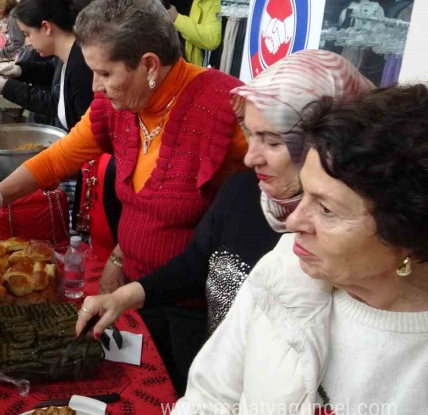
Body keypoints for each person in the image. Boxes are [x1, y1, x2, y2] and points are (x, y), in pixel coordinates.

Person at [0, 0, 249, 393]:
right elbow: (59, 157)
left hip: (194, 311)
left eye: (104, 73)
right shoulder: (118, 107)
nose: (94, 85)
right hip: (132, 292)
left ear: (148, 65)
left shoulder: (228, 107)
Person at [164, 84, 428, 415]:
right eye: (306, 194)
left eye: (327, 209)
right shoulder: (286, 269)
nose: (293, 223)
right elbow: (211, 399)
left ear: (406, 237)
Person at [75, 51, 373, 345]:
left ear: (324, 141)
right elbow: (196, 263)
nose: (251, 158)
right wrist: (122, 297)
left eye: (272, 142)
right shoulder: (244, 191)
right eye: (251, 135)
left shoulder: (353, 237)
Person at [0, 0, 94, 131]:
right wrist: (20, 70)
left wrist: (7, 87)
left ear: (46, 27)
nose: (27, 41)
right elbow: (51, 69)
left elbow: (58, 103)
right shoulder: (67, 54)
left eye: (27, 34)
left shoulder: (81, 64)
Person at [167, 0, 220, 67]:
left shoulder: (209, 1)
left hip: (188, 67)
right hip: (161, 62)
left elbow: (213, 39)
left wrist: (177, 19)